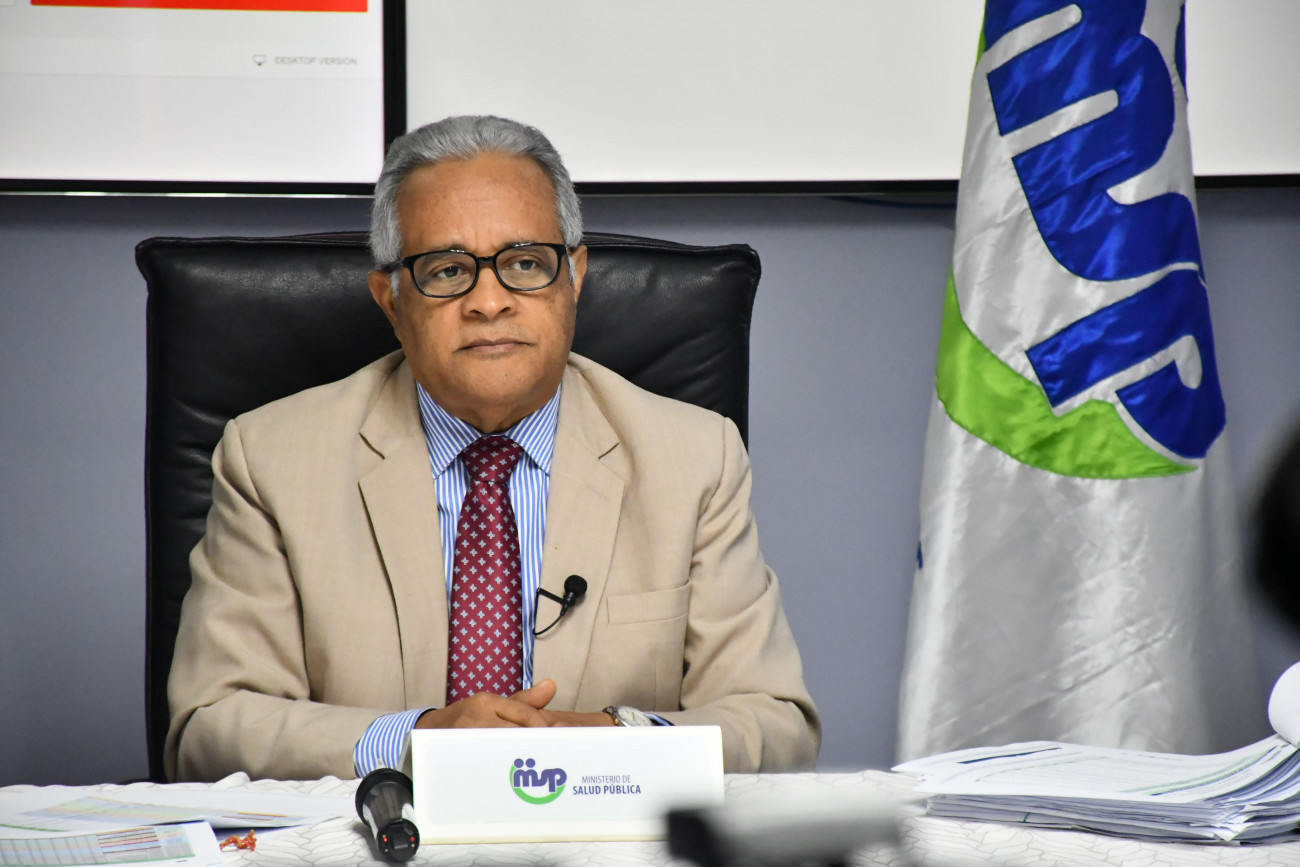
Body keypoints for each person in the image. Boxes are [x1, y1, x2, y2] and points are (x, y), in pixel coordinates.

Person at [165, 115, 820, 782]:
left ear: (574, 277)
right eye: (448, 270)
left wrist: (617, 738)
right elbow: (210, 727)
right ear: (391, 300)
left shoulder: (695, 458)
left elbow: (776, 726)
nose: (488, 301)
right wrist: (416, 739)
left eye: (526, 263)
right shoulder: (271, 460)